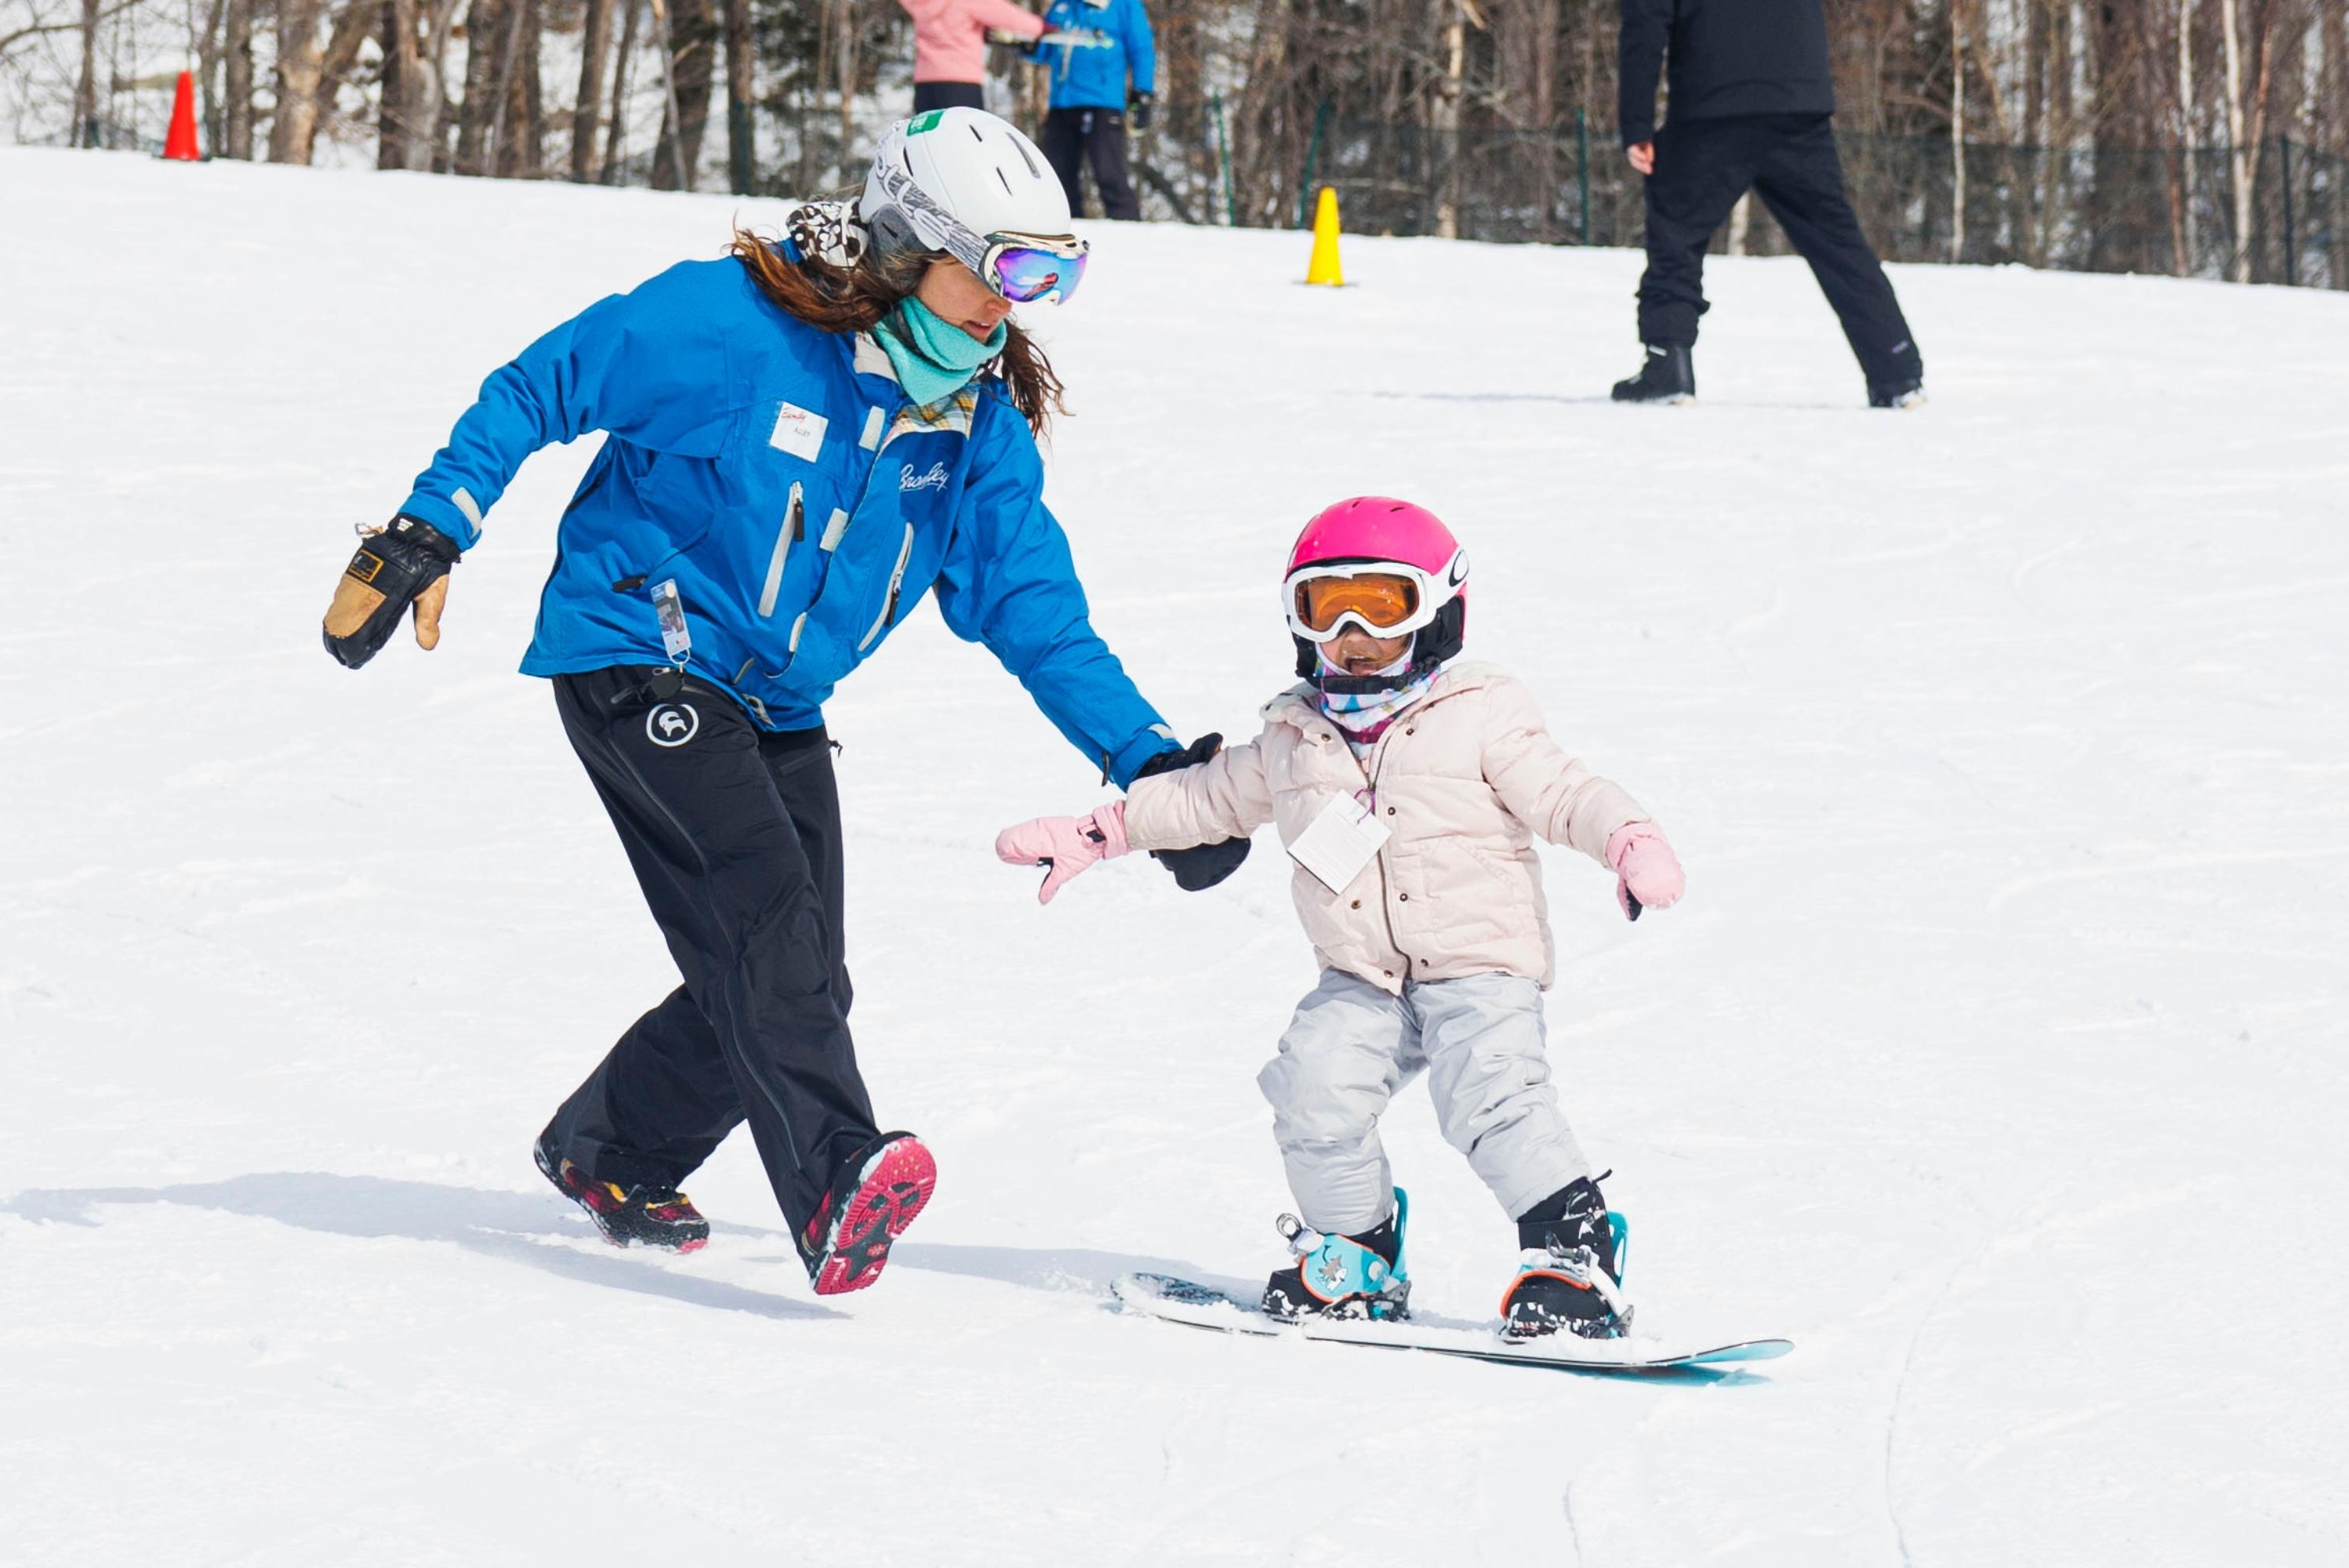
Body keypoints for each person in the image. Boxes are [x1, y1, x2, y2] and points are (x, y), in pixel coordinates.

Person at [318, 107, 1247, 1298]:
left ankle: (614, 1145)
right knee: (767, 920)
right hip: (637, 651)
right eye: (1003, 268)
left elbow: (1032, 607)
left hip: (778, 696)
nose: (1015, 305)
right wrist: (434, 523)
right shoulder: (733, 327)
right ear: (913, 243)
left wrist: (1149, 764)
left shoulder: (973, 422)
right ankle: (836, 1173)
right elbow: (543, 382)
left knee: (803, 971)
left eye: (1048, 275)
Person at [993, 499, 1687, 1340]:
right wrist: (1099, 831)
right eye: (1329, 607)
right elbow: (1203, 797)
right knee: (1312, 1090)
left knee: (1492, 1097)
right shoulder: (1295, 735)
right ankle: (1355, 1253)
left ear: (1436, 611)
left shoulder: (1480, 714)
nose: (1354, 631)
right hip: (1362, 973)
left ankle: (1573, 1254)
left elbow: (1566, 791)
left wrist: (1629, 838)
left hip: (1477, 963)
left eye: (1383, 606)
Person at [1613, 0, 1925, 408]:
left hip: (1713, 106)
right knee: (1838, 242)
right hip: (1798, 105)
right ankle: (1897, 371)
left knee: (1676, 229)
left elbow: (1645, 26)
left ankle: (1667, 366)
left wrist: (1635, 123)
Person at [1025, 0, 1154, 222]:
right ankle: (1066, 227)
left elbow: (1142, 49)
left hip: (1102, 104)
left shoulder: (1124, 6)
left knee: (1109, 173)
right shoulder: (1063, 6)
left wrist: (1142, 93)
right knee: (1058, 175)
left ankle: (1130, 229)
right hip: (1062, 104)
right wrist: (1026, 44)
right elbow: (1044, 48)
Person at [896, 0, 1045, 115]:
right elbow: (1007, 16)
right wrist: (1042, 27)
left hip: (925, 85)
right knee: (965, 144)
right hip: (960, 83)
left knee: (929, 144)